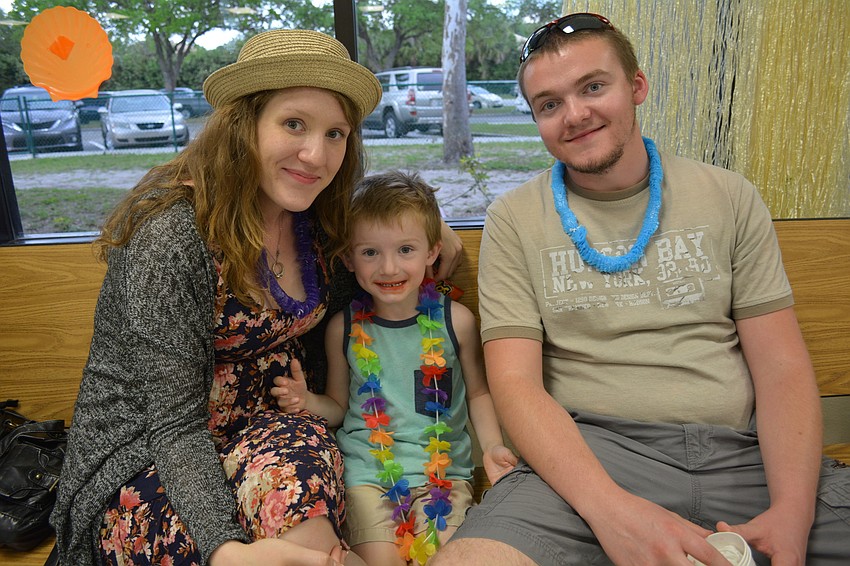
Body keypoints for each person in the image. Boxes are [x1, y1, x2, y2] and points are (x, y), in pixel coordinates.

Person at [432, 12, 850, 566]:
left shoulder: (727, 195)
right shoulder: (514, 217)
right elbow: (515, 385)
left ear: (636, 87)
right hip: (589, 459)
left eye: (593, 87)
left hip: (743, 456)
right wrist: (613, 513)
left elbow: (782, 367)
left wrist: (793, 514)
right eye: (549, 104)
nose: (575, 115)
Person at [49, 30, 462, 566]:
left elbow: (379, 236)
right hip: (150, 455)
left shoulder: (315, 219)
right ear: (244, 126)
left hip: (275, 434)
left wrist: (435, 226)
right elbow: (174, 425)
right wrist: (225, 550)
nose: (316, 154)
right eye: (294, 123)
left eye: (335, 133)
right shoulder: (172, 235)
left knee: (302, 480)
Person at [274, 170, 517, 565]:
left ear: (432, 253)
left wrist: (491, 447)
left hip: (444, 478)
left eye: (406, 250)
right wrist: (308, 401)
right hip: (369, 475)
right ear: (349, 258)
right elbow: (338, 406)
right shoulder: (345, 328)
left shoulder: (456, 322)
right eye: (370, 252)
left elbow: (478, 392)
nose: (389, 268)